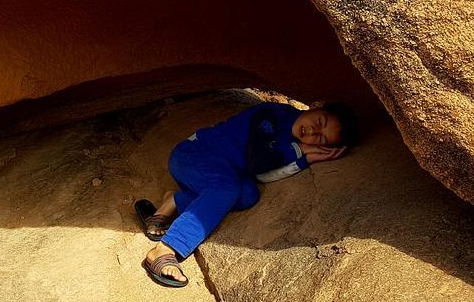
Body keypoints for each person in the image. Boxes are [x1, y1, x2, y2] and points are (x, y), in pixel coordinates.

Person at [136, 101, 358, 287]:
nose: (312, 132)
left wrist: (305, 160)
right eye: (319, 122)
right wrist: (299, 151)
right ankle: (167, 248)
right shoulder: (271, 115)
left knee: (248, 195)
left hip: (221, 171)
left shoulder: (296, 142)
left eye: (320, 139)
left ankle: (174, 201)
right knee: (226, 188)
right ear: (315, 107)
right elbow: (258, 162)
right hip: (194, 155)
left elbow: (263, 176)